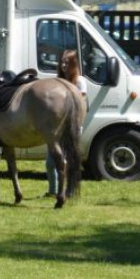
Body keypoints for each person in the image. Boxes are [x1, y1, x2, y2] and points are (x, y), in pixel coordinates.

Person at [45, 50, 86, 197]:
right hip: (57, 127)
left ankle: (68, 190)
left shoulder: (80, 82)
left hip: (72, 128)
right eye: (62, 62)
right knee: (50, 162)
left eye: (66, 63)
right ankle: (52, 190)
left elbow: (79, 104)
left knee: (68, 161)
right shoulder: (58, 81)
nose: (63, 66)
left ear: (74, 64)